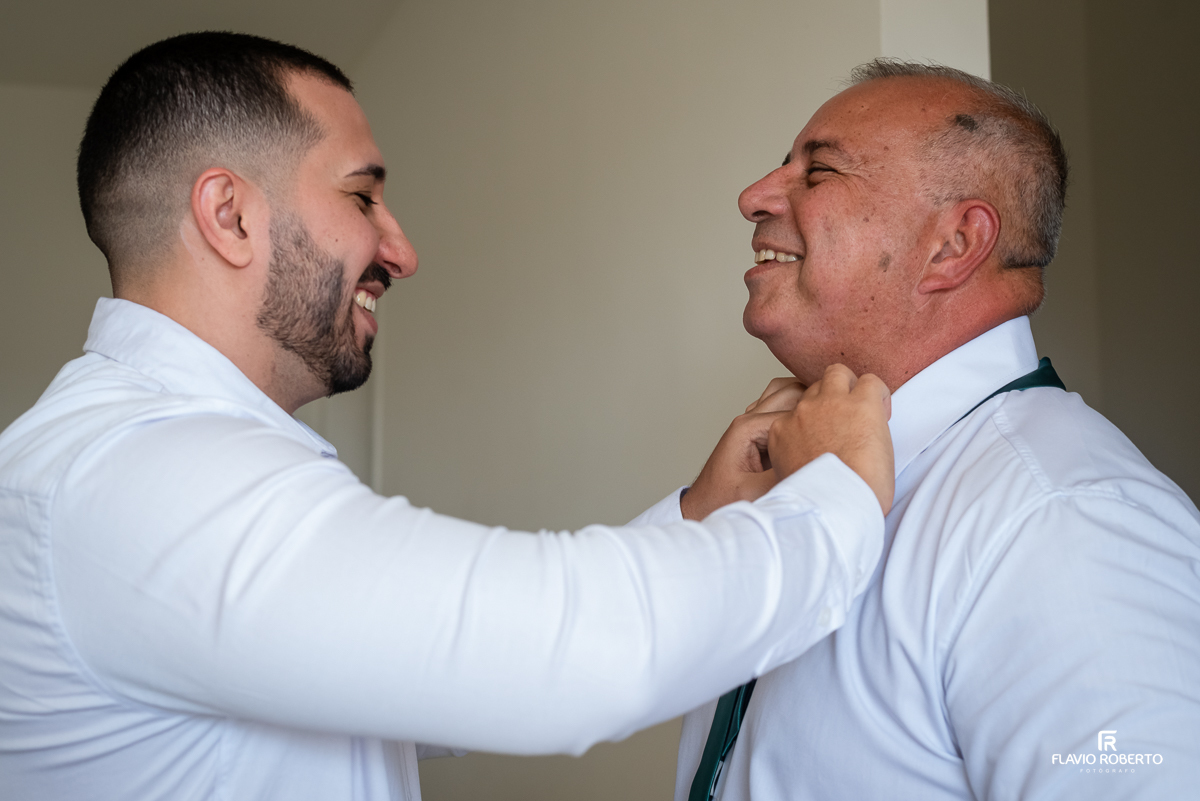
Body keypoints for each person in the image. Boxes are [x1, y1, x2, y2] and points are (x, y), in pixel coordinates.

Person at [0, 32, 897, 801]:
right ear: (229, 215)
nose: (402, 249)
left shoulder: (142, 466)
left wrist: (698, 517)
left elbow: (407, 679)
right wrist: (838, 498)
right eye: (361, 196)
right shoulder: (145, 479)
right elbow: (558, 653)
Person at [658, 59, 1200, 801]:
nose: (752, 197)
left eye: (817, 174)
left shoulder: (1066, 526)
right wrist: (697, 529)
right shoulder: (773, 483)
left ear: (953, 245)